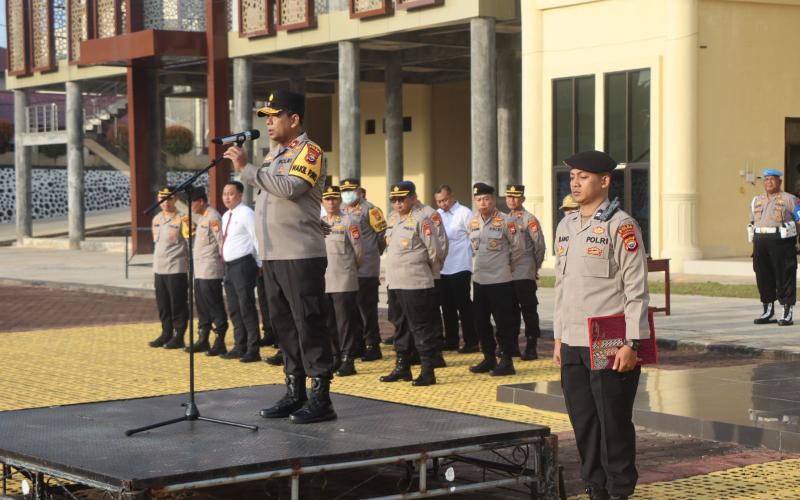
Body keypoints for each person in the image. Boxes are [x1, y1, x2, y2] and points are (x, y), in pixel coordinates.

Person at [225, 89, 336, 424]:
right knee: (284, 325)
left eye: (274, 116)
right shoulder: (274, 156)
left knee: (308, 323)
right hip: (273, 256)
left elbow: (289, 188)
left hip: (300, 255)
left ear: (295, 119)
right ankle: (294, 390)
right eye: (266, 117)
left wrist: (246, 169)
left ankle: (321, 397)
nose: (269, 122)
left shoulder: (310, 151)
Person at [553, 150, 650, 500]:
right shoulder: (566, 225)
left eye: (583, 177)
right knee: (584, 424)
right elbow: (563, 287)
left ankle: (621, 492)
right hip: (574, 341)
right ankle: (596, 489)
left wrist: (632, 343)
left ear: (605, 181)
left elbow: (637, 289)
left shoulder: (622, 226)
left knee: (613, 425)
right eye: (573, 177)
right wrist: (559, 338)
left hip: (610, 342)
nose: (575, 183)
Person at [380, 181, 444, 386]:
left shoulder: (422, 219)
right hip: (395, 282)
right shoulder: (392, 219)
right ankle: (402, 367)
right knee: (399, 326)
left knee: (420, 327)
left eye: (402, 199)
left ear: (412, 198)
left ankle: (427, 370)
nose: (398, 203)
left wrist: (431, 274)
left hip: (416, 281)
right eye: (394, 200)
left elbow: (436, 251)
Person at [468, 183, 522, 376]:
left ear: (493, 200)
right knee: (480, 322)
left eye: (486, 199)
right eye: (479, 200)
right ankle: (488, 357)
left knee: (503, 322)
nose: (483, 203)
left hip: (500, 281)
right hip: (480, 280)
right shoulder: (473, 222)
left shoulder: (507, 221)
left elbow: (518, 250)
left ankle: (506, 361)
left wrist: (507, 269)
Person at [341, 178, 387, 361]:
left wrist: (374, 254)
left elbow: (382, 236)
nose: (347, 194)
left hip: (366, 267)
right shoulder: (341, 210)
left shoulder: (371, 210)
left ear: (359, 191)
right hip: (348, 268)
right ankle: (358, 344)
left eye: (351, 190)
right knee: (351, 308)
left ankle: (373, 345)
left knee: (367, 308)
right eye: (344, 191)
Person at [322, 186, 363, 376]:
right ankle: (334, 356)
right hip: (324, 279)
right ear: (323, 201)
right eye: (327, 199)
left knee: (345, 322)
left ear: (339, 201)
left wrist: (350, 270)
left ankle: (348, 359)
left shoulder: (349, 221)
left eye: (334, 199)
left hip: (343, 278)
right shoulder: (319, 222)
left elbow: (358, 253)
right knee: (329, 322)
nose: (331, 202)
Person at [219, 181, 262, 363]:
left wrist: (260, 264)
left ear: (240, 195)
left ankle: (253, 348)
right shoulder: (226, 215)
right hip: (229, 266)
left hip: (243, 264)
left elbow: (257, 238)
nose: (227, 197)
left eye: (231, 193)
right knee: (234, 308)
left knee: (246, 306)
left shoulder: (247, 213)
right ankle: (239, 345)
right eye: (224, 194)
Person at [750, 168, 799, 326]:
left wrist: (794, 231)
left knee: (784, 275)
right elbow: (752, 221)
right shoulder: (757, 200)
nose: (768, 182)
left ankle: (786, 312)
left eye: (772, 179)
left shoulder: (790, 199)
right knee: (763, 276)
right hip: (760, 241)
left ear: (779, 182)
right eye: (765, 180)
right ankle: (768, 311)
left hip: (782, 242)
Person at [183, 187, 228, 355]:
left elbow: (221, 242)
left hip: (210, 270)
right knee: (202, 305)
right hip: (200, 271)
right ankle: (203, 339)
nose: (190, 206)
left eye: (191, 202)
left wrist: (225, 264)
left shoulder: (213, 217)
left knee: (214, 305)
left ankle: (220, 340)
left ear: (201, 201)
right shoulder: (202, 218)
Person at [434, 184, 479, 353]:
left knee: (463, 304)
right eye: (439, 201)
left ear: (452, 196)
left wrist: (473, 257)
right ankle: (451, 340)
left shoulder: (464, 213)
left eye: (445, 200)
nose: (442, 204)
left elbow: (474, 236)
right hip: (443, 266)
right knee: (446, 305)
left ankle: (471, 341)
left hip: (460, 264)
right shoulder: (436, 215)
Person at [505, 185, 546, 360]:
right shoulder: (502, 219)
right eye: (509, 197)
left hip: (524, 270)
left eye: (516, 197)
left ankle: (531, 345)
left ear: (522, 199)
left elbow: (539, 246)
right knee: (509, 309)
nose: (512, 200)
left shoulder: (529, 219)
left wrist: (534, 267)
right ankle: (512, 345)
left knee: (528, 309)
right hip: (507, 273)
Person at [148, 186, 189, 349]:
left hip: (176, 268)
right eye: (162, 199)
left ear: (175, 200)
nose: (165, 202)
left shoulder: (183, 219)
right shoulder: (156, 219)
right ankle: (166, 333)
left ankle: (179, 336)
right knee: (163, 303)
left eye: (169, 199)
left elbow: (189, 243)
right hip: (159, 268)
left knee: (177, 303)